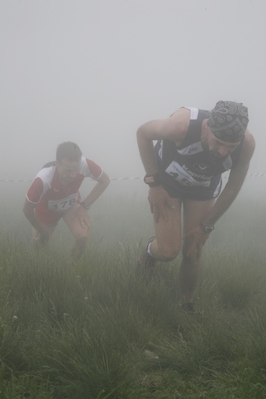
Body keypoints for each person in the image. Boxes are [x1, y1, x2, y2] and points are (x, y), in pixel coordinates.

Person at [136, 101, 255, 311]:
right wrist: (153, 184)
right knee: (168, 251)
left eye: (231, 147)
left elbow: (233, 186)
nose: (222, 151)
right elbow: (143, 133)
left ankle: (186, 305)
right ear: (207, 126)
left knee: (193, 249)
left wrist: (206, 227)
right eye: (218, 142)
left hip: (202, 187)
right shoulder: (180, 125)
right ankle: (149, 251)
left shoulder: (246, 144)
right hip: (167, 182)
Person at [23, 141, 110, 259]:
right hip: (46, 210)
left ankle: (73, 269)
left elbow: (105, 180)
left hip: (71, 204)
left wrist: (84, 206)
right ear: (57, 163)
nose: (73, 175)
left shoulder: (85, 164)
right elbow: (27, 209)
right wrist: (42, 231)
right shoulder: (43, 178)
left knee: (82, 237)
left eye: (76, 170)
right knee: (40, 248)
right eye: (68, 170)